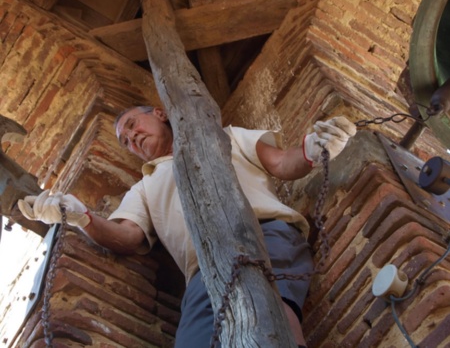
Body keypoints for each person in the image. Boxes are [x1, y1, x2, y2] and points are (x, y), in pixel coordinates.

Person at [19, 106, 357, 348]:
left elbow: (283, 163)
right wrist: (81, 216)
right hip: (202, 274)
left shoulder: (228, 138)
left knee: (272, 319)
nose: (131, 138)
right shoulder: (143, 188)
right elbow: (125, 237)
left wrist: (313, 149)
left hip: (266, 235)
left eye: (134, 125)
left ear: (160, 113)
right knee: (195, 340)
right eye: (124, 141)